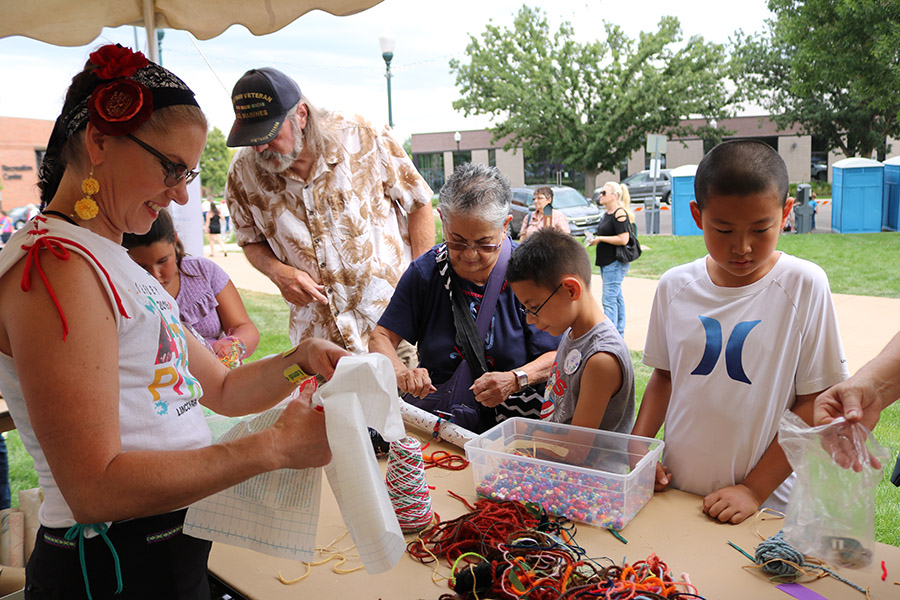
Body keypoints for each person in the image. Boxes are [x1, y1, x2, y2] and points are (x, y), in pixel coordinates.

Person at [0, 44, 347, 598]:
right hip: (113, 564)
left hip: (161, 547)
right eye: (171, 168)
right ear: (98, 143)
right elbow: (93, 487)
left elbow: (225, 389)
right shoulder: (57, 267)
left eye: (189, 172)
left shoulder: (105, 258)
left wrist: (299, 360)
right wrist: (273, 448)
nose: (181, 193)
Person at [631, 140, 848, 524]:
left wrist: (753, 489)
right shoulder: (674, 286)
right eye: (724, 229)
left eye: (761, 229)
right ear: (698, 215)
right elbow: (664, 377)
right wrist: (639, 456)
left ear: (785, 214)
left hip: (766, 505)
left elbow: (814, 401)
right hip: (678, 491)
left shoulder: (804, 284)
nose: (742, 247)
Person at [224, 67, 435, 355]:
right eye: (251, 137)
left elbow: (419, 203)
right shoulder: (242, 170)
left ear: (301, 114)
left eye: (269, 134)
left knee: (406, 400)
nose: (259, 147)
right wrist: (278, 272)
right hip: (318, 341)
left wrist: (421, 288)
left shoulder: (363, 136)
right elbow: (250, 240)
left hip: (392, 328)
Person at [369, 163, 560, 433]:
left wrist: (515, 379)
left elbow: (561, 353)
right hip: (444, 429)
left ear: (506, 225)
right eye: (456, 241)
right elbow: (381, 337)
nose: (470, 255)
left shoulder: (531, 274)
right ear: (442, 220)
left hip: (516, 433)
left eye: (484, 243)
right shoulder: (425, 274)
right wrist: (402, 372)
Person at [507, 228, 634, 432]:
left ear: (570, 290)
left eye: (534, 308)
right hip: (556, 460)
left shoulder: (601, 359)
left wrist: (522, 432)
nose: (530, 319)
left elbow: (577, 449)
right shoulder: (574, 333)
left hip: (582, 464)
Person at [123, 209, 259, 367]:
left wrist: (232, 346)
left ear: (174, 240)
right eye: (142, 266)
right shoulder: (123, 291)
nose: (155, 274)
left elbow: (244, 327)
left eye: (163, 261)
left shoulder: (203, 271)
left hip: (223, 380)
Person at [587, 181, 635, 337]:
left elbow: (624, 239)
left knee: (609, 300)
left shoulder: (619, 214)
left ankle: (609, 337)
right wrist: (596, 239)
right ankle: (619, 334)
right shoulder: (607, 214)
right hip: (607, 262)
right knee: (616, 298)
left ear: (615, 196)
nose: (600, 196)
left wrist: (600, 239)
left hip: (614, 262)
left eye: (604, 193)